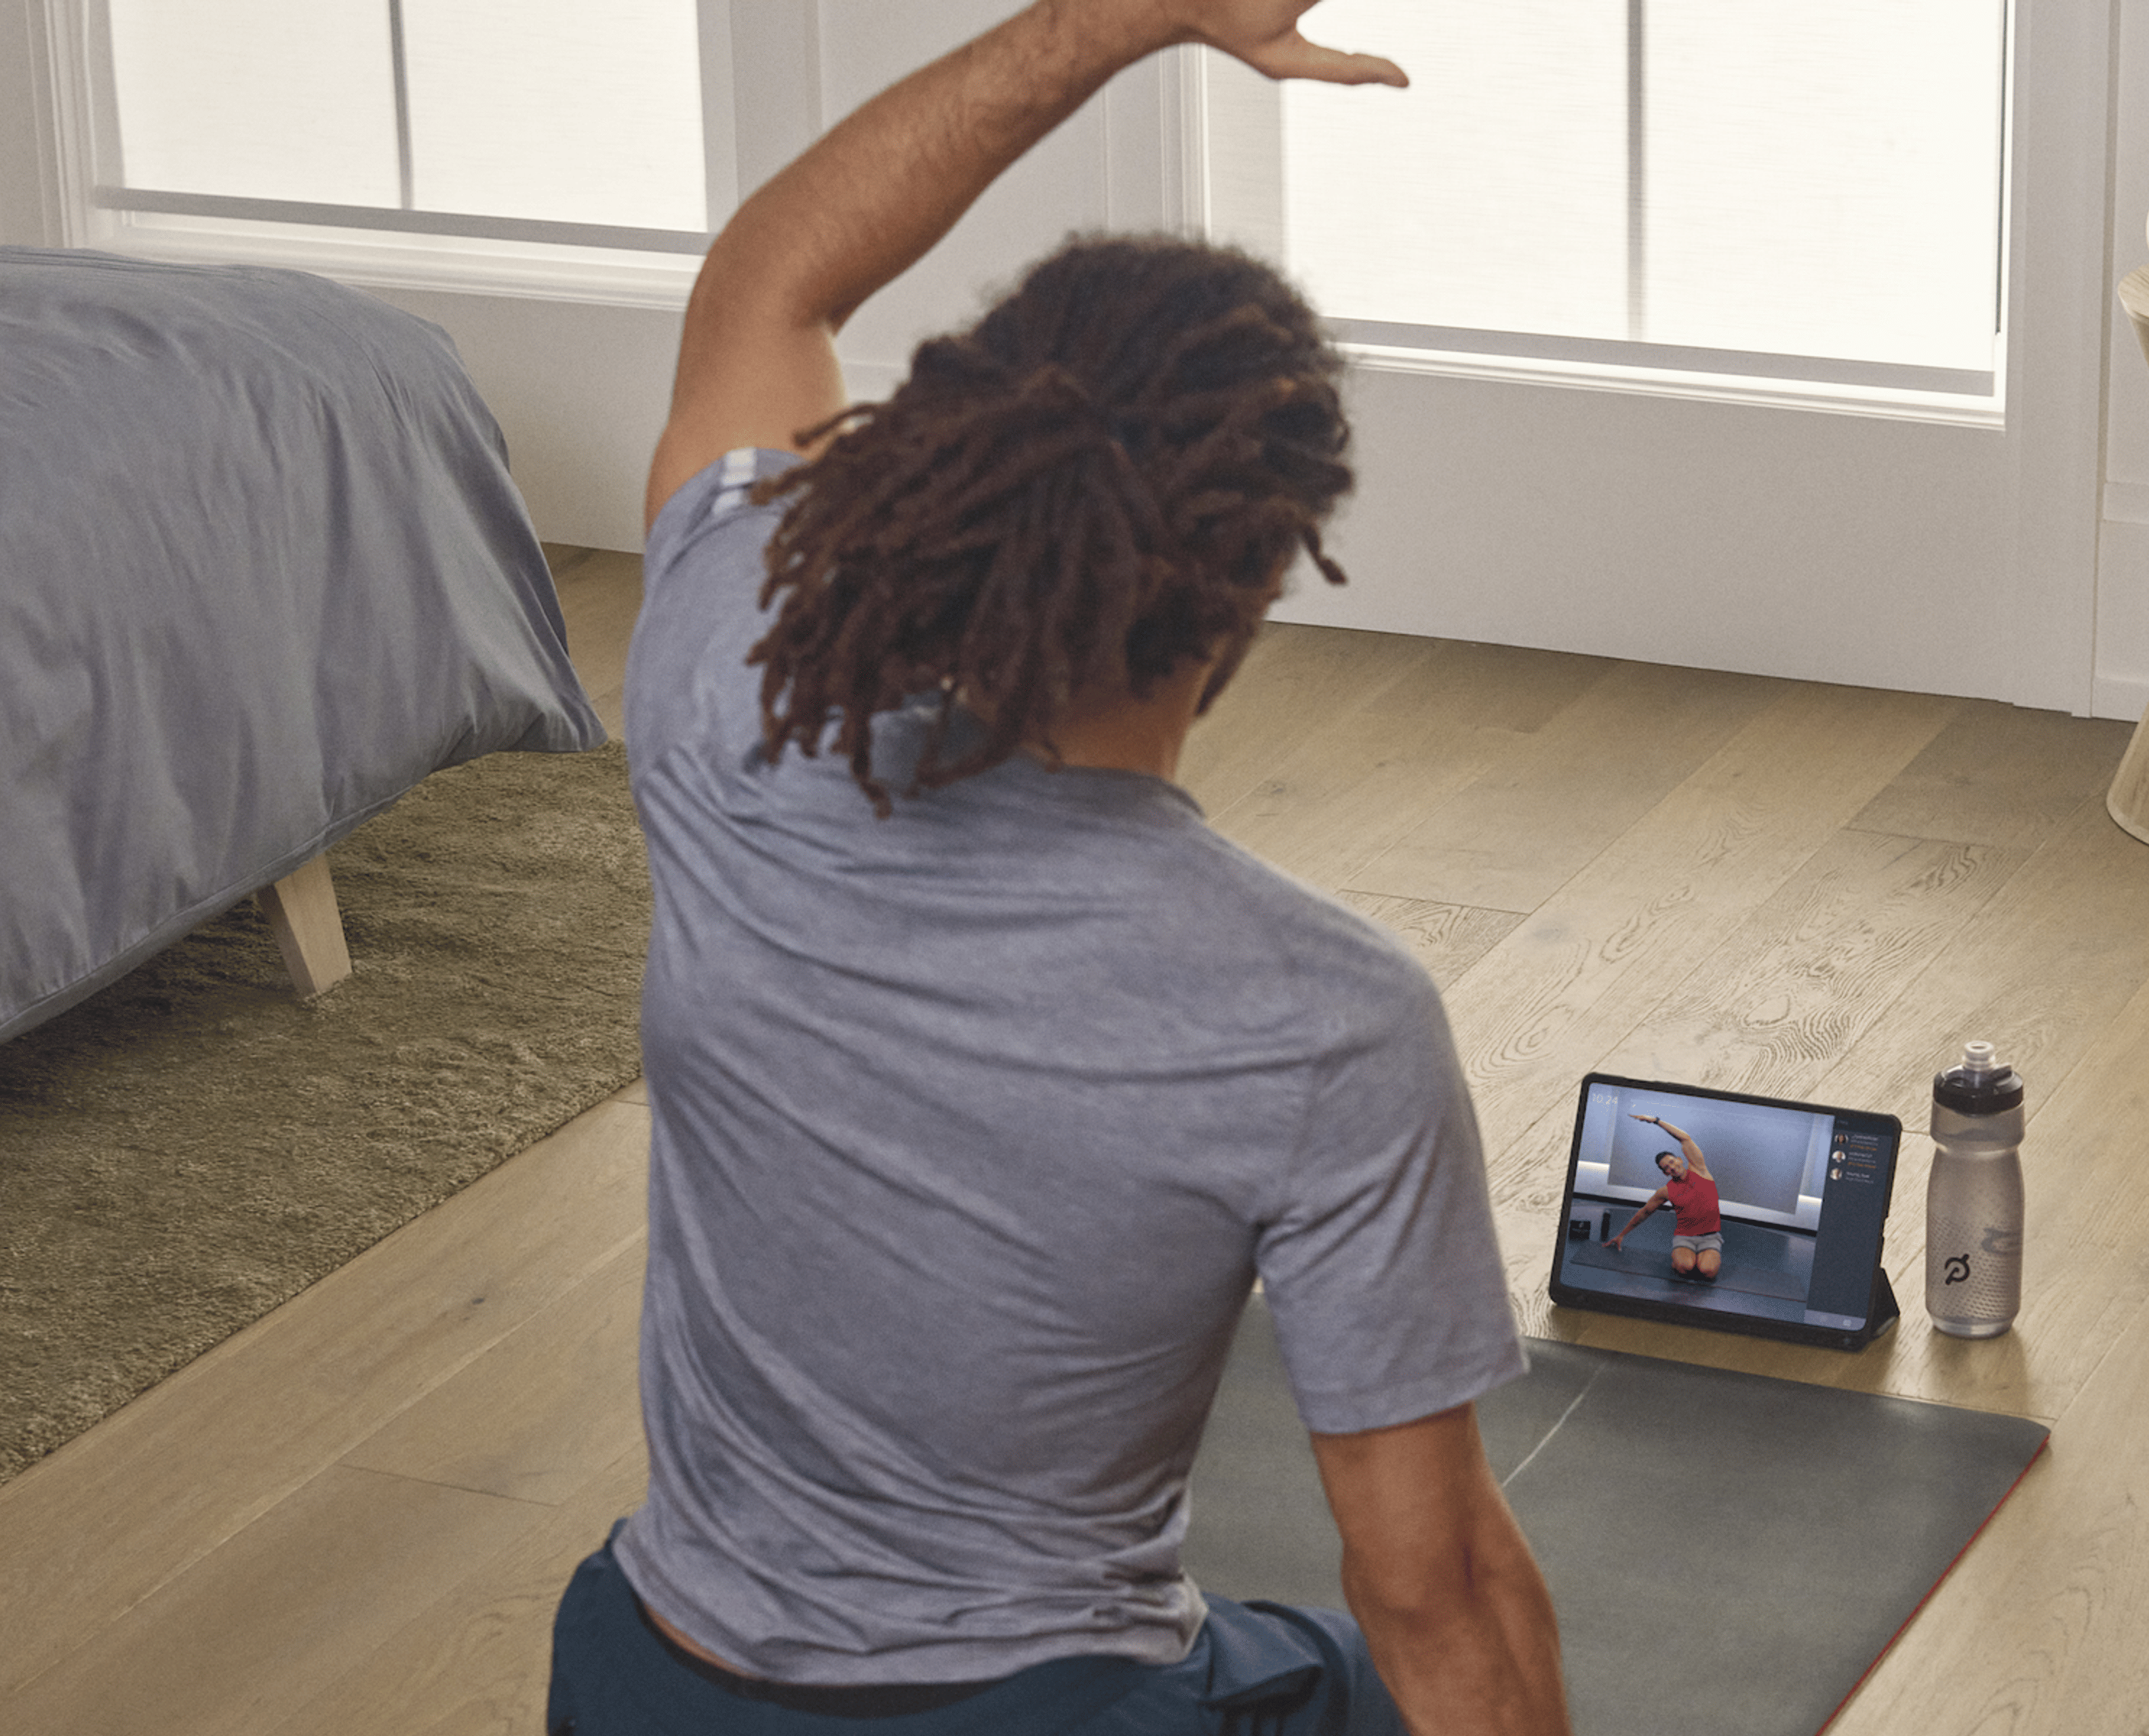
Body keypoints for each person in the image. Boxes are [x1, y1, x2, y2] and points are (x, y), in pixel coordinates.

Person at [540, 3, 1571, 1734]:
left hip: (648, 1684)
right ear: (1257, 585)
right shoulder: (1320, 1017)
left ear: (944, 451)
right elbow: (1432, 1584)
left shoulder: (727, 684)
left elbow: (770, 284)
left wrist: (1130, 14)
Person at [1603, 1113, 1723, 1282]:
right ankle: (1682, 1260)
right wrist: (1622, 1234)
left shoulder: (1699, 1170)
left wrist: (1657, 1121)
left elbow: (1685, 1139)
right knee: (1684, 1268)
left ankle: (1703, 1258)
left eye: (1672, 1162)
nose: (1672, 1167)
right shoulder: (1666, 1191)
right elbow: (1645, 1212)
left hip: (1710, 1236)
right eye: (1667, 1167)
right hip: (1685, 1237)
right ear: (1665, 1173)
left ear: (1680, 1160)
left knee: (1708, 1272)